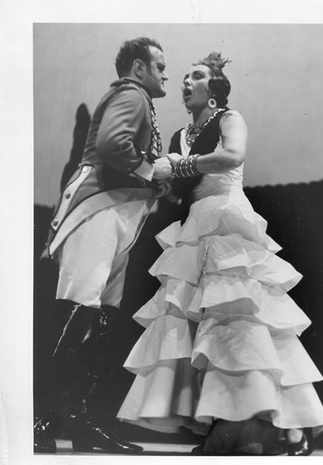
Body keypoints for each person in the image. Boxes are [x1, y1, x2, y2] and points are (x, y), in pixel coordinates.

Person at [116, 52, 323, 455]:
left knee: (244, 323)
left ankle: (292, 429)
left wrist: (179, 166)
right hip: (195, 224)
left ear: (214, 90)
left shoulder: (230, 118)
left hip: (228, 218)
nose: (185, 82)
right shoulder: (180, 134)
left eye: (196, 76)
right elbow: (172, 180)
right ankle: (224, 428)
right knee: (201, 331)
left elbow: (232, 156)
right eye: (183, 77)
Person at [34, 37, 174, 454]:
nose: (165, 73)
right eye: (159, 65)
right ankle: (41, 420)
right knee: (79, 309)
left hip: (117, 215)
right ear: (137, 68)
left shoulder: (137, 98)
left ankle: (79, 423)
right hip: (98, 211)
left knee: (99, 317)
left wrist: (152, 179)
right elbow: (114, 145)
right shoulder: (131, 94)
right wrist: (152, 171)